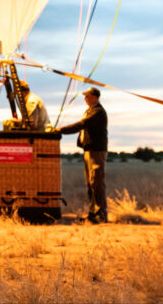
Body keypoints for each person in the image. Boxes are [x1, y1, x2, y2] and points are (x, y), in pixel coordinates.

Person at [57, 87, 108, 223]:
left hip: (96, 151)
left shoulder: (97, 112)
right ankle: (93, 213)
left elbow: (81, 125)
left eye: (88, 96)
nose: (85, 99)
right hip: (88, 150)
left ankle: (101, 214)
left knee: (96, 182)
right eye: (85, 96)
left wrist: (60, 130)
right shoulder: (89, 111)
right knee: (90, 183)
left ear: (95, 97)